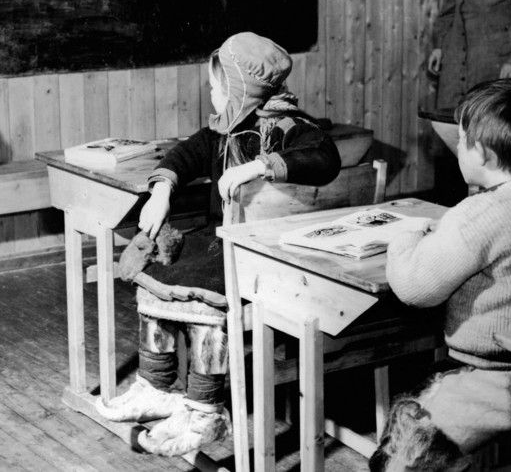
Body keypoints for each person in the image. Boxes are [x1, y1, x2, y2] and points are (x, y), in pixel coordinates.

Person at [96, 32, 341, 456]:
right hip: (222, 241)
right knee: (155, 268)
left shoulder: (290, 127)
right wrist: (161, 190)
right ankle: (155, 386)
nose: (211, 93)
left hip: (266, 253)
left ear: (242, 89)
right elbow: (183, 155)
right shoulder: (222, 129)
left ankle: (205, 411)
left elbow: (325, 159)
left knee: (203, 295)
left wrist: (260, 166)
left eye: (217, 86)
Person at [371, 79, 511, 470]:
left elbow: (414, 288)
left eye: (461, 141)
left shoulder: (478, 213)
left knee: (396, 452)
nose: (458, 149)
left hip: (490, 379)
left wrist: (404, 239)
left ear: (484, 153)